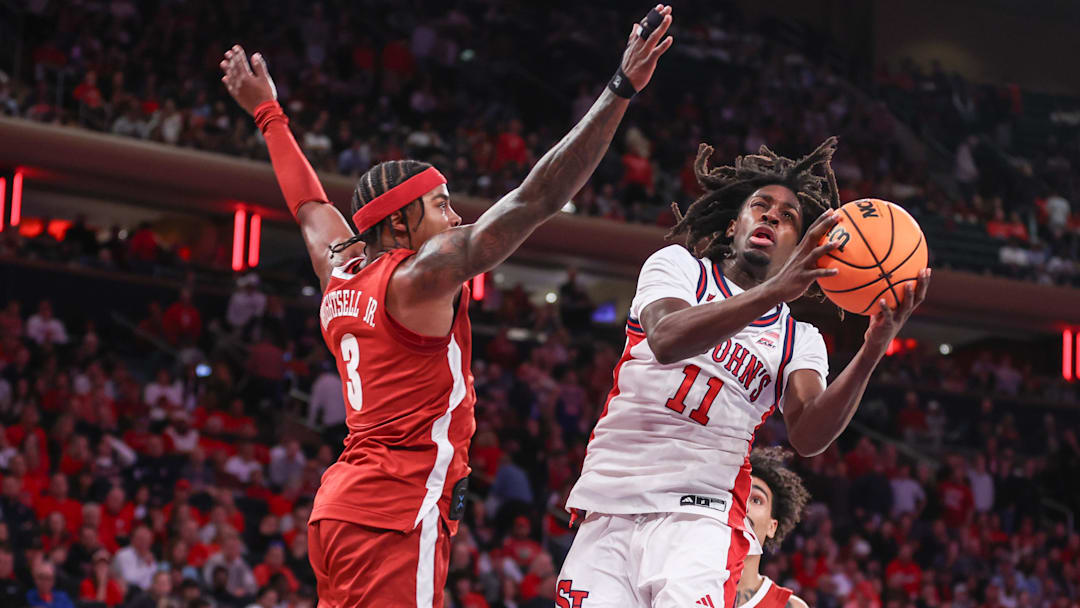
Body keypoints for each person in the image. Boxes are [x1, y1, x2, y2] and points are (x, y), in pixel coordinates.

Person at [218, 4, 673, 605]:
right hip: (395, 508)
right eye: (441, 204)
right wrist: (619, 89)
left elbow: (307, 207)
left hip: (342, 509)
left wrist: (267, 112)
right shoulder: (415, 279)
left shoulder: (340, 269)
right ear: (401, 223)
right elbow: (537, 198)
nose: (455, 216)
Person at [558, 138, 931, 606]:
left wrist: (873, 349)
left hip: (701, 518)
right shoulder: (678, 267)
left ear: (801, 246)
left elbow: (809, 435)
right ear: (735, 224)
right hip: (609, 504)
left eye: (789, 217)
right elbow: (668, 338)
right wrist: (773, 291)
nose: (773, 216)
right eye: (761, 206)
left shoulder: (800, 339)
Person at [734, 447, 810, 608]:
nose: (743, 506)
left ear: (772, 527)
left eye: (756, 500)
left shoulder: (790, 606)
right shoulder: (681, 583)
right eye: (738, 496)